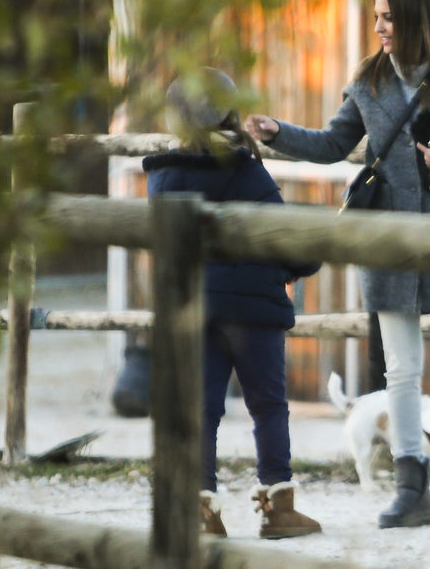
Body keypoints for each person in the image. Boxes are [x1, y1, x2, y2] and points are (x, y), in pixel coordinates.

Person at [245, 0, 430, 529]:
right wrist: (277, 133)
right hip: (388, 243)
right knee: (402, 371)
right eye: (376, 17)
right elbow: (331, 144)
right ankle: (411, 483)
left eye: (388, 17)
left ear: (417, 17)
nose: (379, 27)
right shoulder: (368, 81)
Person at [136, 68, 323, 539]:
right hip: (254, 310)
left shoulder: (163, 177)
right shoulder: (244, 168)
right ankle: (278, 506)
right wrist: (303, 262)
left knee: (201, 408)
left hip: (195, 308)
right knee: (267, 405)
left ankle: (203, 511)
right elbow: (281, 237)